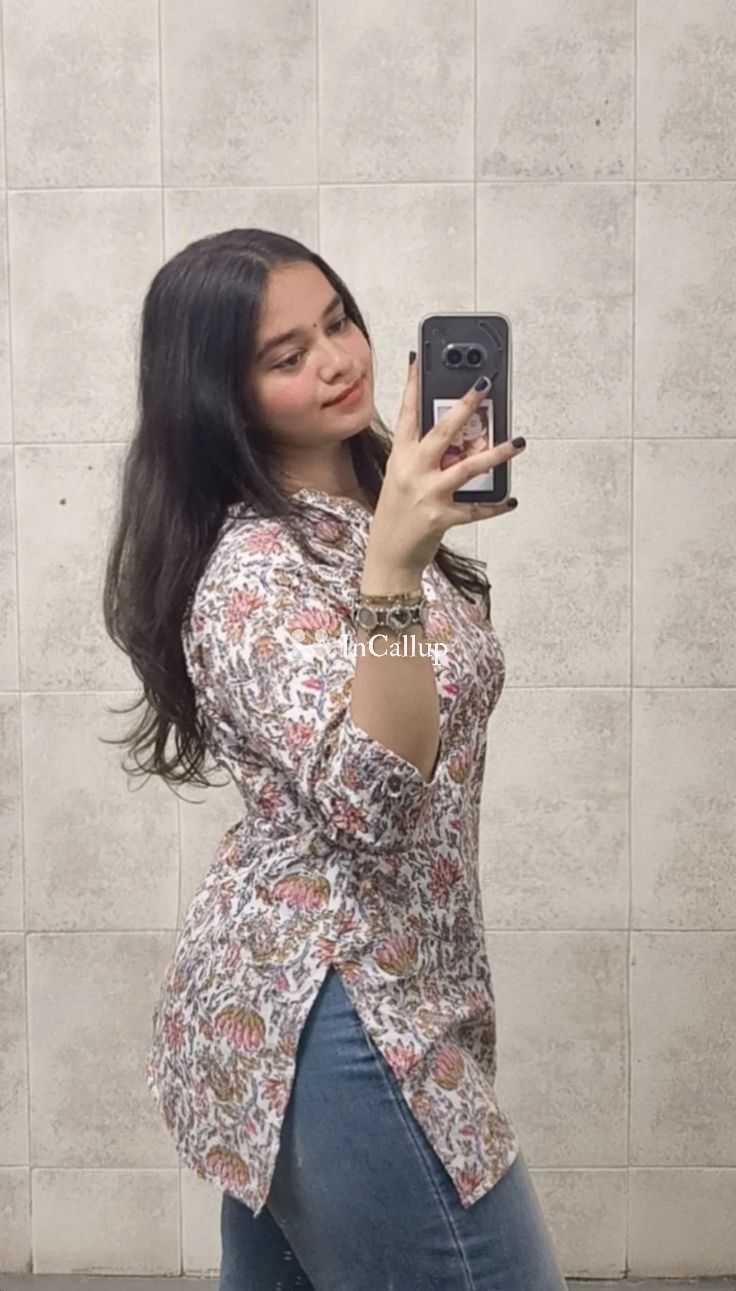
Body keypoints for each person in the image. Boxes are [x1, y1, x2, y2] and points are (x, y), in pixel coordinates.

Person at [103, 228, 566, 1289]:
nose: (336, 361)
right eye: (286, 355)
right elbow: (374, 796)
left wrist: (396, 540)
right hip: (334, 1005)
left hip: (365, 986)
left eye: (338, 322)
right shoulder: (250, 570)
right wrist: (393, 571)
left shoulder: (361, 516)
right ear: (219, 395)